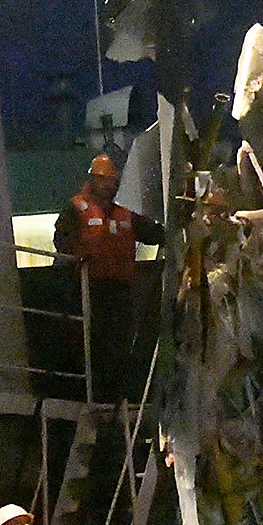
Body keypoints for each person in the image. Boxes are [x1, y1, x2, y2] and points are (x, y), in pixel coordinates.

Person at [54, 154, 162, 401]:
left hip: (120, 290)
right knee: (93, 345)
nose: (108, 185)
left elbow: (150, 232)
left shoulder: (125, 213)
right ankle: (94, 393)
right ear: (92, 179)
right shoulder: (76, 208)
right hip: (89, 289)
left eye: (112, 181)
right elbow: (62, 238)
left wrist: (177, 232)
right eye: (103, 180)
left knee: (120, 345)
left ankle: (118, 394)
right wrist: (77, 255)